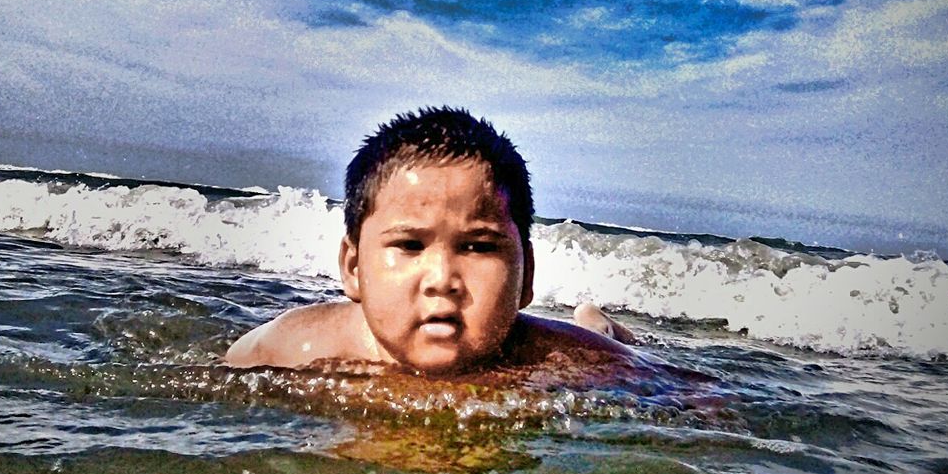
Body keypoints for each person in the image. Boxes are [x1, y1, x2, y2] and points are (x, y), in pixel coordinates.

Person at [225, 107, 640, 375]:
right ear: (353, 268)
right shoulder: (293, 348)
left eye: (478, 246)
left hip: (589, 339)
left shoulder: (574, 361)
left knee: (595, 333)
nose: (442, 279)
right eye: (409, 245)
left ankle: (594, 320)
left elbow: (696, 398)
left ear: (526, 275)